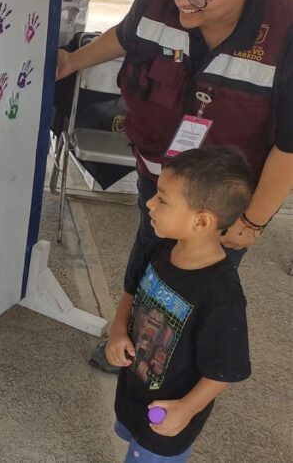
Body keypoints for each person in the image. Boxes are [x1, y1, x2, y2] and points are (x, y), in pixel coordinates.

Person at [54, 0, 293, 372]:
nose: (182, 1)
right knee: (148, 245)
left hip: (220, 201)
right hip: (159, 168)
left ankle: (154, 362)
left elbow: (289, 145)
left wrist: (254, 221)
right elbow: (127, 36)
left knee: (194, 282)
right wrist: (72, 62)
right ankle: (122, 338)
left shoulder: (286, 30)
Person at [107, 146, 253, 461]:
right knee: (131, 441)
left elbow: (223, 370)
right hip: (134, 391)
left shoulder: (222, 296)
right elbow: (132, 293)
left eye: (162, 199)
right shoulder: (160, 248)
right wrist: (118, 331)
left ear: (201, 222)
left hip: (169, 414)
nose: (149, 203)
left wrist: (187, 409)